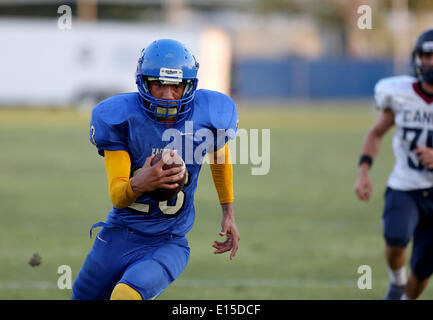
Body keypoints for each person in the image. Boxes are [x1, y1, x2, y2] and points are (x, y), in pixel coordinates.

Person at [72, 39, 240, 300]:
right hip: (119, 234)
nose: (167, 95)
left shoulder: (208, 117)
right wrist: (143, 182)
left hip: (168, 241)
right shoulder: (121, 119)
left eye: (176, 86)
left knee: (124, 296)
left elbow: (220, 158)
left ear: (188, 86)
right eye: (159, 84)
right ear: (143, 82)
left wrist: (228, 212)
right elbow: (118, 195)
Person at [355, 29, 433, 300]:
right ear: (416, 58)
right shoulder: (399, 92)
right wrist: (364, 171)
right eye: (425, 55)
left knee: (424, 267)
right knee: (395, 236)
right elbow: (376, 133)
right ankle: (397, 282)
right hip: (406, 185)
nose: (429, 62)